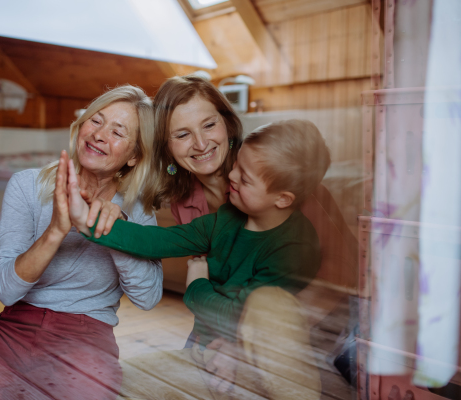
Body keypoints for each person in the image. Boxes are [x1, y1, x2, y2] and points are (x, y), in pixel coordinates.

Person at [0, 85, 163, 400]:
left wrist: (115, 232)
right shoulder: (27, 185)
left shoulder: (136, 208)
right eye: (96, 121)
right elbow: (5, 290)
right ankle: (17, 388)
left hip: (85, 342)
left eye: (118, 132)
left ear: (134, 156)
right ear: (81, 127)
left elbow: (149, 297)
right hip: (12, 330)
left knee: (89, 386)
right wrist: (56, 231)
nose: (99, 134)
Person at [65, 119, 332, 399]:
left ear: (282, 199)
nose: (232, 176)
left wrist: (196, 285)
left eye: (246, 178)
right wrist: (89, 223)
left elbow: (239, 316)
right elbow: (161, 241)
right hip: (205, 353)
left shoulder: (295, 247)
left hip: (252, 364)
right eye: (237, 165)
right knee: (115, 385)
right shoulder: (226, 219)